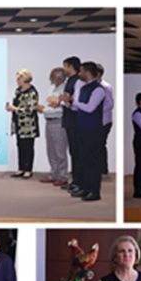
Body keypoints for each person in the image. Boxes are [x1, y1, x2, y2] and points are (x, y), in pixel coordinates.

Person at [64, 61, 107, 201]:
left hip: (93, 130)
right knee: (83, 160)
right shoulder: (83, 88)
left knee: (93, 162)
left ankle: (94, 192)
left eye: (81, 71)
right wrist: (68, 103)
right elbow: (77, 108)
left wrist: (73, 101)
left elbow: (90, 108)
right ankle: (85, 188)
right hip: (81, 128)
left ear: (88, 73)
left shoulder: (99, 89)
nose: (79, 74)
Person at [6, 69, 40, 179]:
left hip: (28, 125)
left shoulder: (32, 92)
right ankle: (21, 168)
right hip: (18, 124)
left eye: (19, 78)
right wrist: (11, 108)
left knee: (28, 147)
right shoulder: (18, 91)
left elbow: (29, 110)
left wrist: (14, 109)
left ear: (25, 78)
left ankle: (28, 169)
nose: (17, 80)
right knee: (20, 146)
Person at [40, 67, 69, 187]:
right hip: (49, 121)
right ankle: (53, 174)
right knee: (51, 150)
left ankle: (62, 176)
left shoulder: (66, 89)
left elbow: (62, 107)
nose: (50, 79)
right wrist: (44, 108)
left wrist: (46, 109)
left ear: (59, 78)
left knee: (60, 151)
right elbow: (50, 104)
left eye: (52, 77)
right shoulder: (52, 88)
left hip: (59, 122)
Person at [60, 56, 82, 193]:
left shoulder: (78, 81)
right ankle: (75, 181)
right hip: (70, 120)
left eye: (65, 66)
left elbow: (74, 101)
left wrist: (66, 101)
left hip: (75, 121)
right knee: (74, 152)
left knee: (77, 153)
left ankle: (79, 182)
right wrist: (64, 100)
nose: (64, 69)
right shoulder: (70, 80)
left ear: (70, 66)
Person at [96, 64, 113, 176]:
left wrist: (94, 110)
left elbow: (110, 104)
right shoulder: (89, 86)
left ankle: (102, 169)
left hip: (103, 121)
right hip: (94, 121)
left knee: (100, 144)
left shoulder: (105, 86)